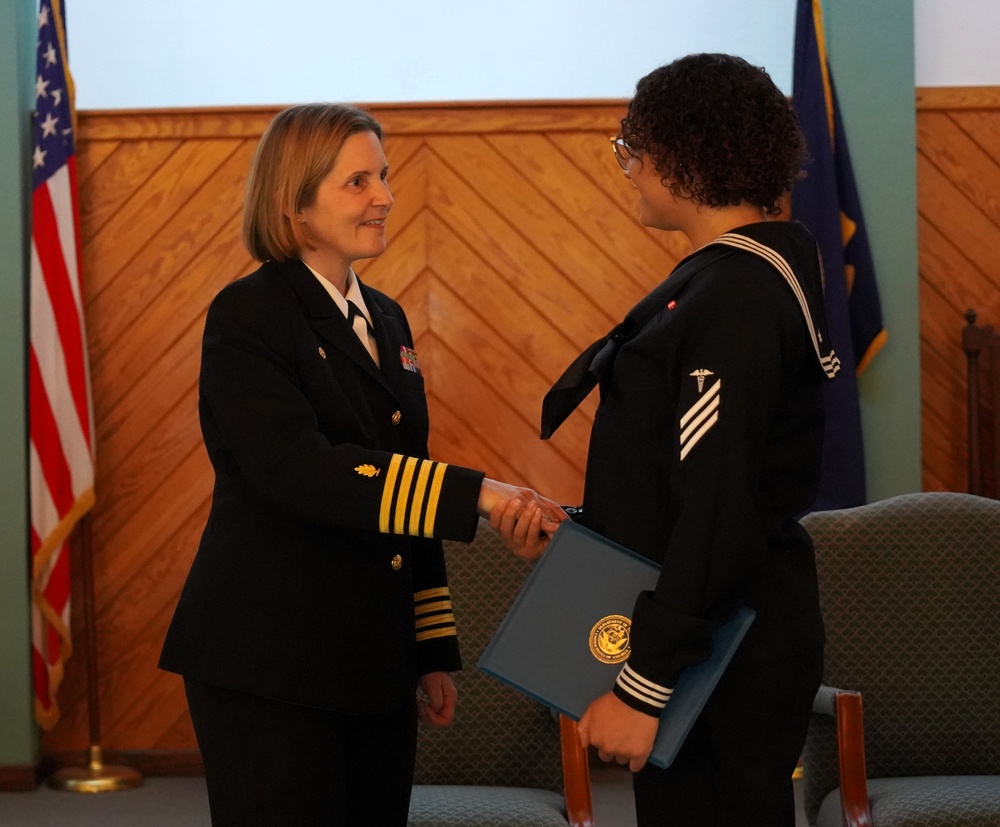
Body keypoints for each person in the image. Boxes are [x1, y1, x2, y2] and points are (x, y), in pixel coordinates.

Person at [158, 103, 557, 827]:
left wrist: (428, 647)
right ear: (294, 202)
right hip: (271, 659)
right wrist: (482, 495)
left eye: (384, 176)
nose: (385, 196)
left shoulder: (387, 317)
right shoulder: (249, 313)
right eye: (357, 182)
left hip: (374, 657)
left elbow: (405, 476)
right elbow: (302, 472)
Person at [493, 53, 837, 825]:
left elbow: (719, 506)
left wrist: (643, 685)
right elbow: (680, 481)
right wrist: (580, 531)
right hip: (711, 630)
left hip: (719, 650)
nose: (630, 168)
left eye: (633, 147)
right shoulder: (736, 275)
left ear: (685, 152)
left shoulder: (736, 293)